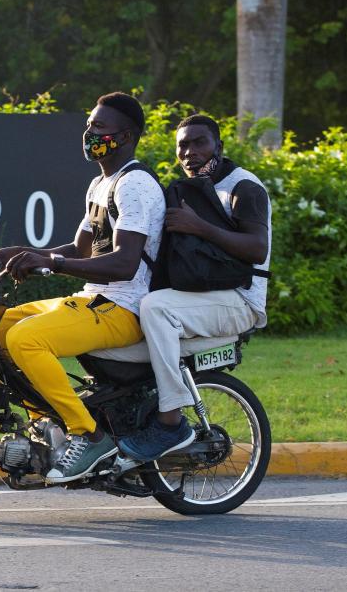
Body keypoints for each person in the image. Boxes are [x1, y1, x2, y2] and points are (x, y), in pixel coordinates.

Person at [0, 92, 165, 484]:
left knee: (27, 339)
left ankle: (90, 434)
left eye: (99, 127)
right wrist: (20, 254)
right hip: (94, 300)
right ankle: (46, 423)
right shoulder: (100, 184)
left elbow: (125, 261)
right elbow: (78, 249)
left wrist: (53, 264)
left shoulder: (134, 184)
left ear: (127, 135)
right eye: (89, 124)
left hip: (124, 307)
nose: (89, 132)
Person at [118, 114, 272, 461]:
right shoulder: (187, 190)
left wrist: (200, 226)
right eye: (182, 146)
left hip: (240, 300)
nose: (190, 152)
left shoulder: (243, 187)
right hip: (200, 297)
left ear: (219, 145)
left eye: (199, 142)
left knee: (156, 308)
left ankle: (170, 421)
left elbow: (256, 248)